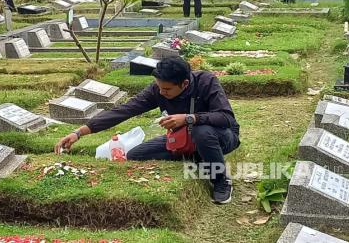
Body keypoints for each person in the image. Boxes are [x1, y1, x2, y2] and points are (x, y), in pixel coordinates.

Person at [54, 58, 241, 204]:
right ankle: (199, 158)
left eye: (166, 89)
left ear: (184, 84)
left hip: (221, 136)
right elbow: (124, 110)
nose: (161, 93)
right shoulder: (158, 90)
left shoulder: (206, 81)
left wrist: (189, 118)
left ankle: (221, 181)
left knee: (202, 131)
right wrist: (78, 133)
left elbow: (226, 117)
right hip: (182, 138)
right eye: (159, 87)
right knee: (136, 155)